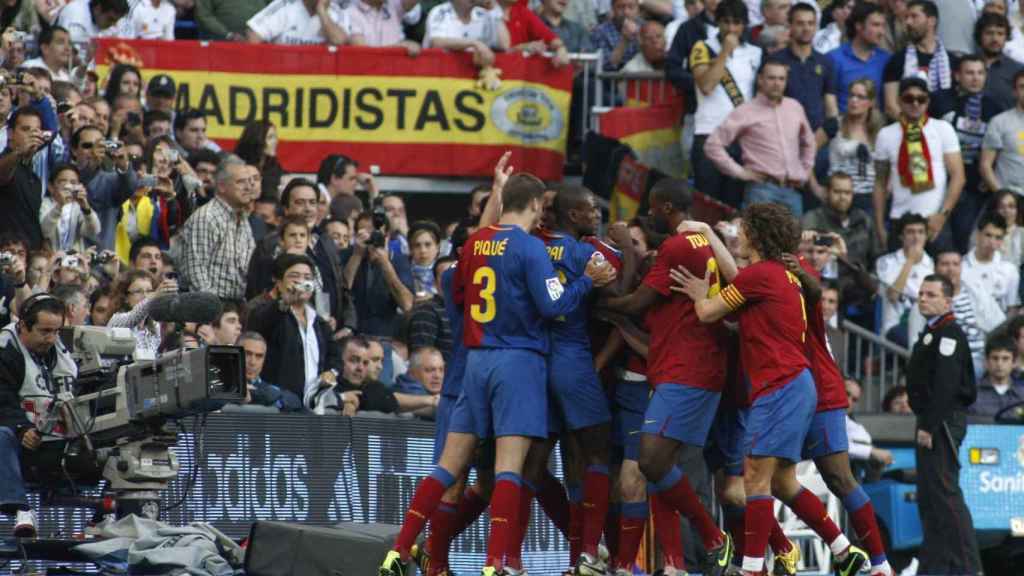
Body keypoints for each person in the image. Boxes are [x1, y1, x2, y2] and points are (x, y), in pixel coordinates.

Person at [378, 172, 614, 576]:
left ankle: (398, 552)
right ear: (538, 205)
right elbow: (553, 304)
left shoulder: (474, 244)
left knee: (447, 466)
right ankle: (497, 564)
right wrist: (585, 283)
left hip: (474, 361)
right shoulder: (529, 247)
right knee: (509, 467)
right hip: (517, 361)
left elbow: (456, 293)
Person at [672, 202, 867, 576]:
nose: (739, 234)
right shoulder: (776, 275)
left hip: (779, 387)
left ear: (756, 235)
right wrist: (712, 236)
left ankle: (752, 569)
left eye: (742, 229)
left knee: (754, 479)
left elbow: (707, 313)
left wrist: (699, 292)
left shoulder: (759, 276)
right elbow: (740, 280)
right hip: (795, 385)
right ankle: (843, 549)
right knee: (781, 481)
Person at [600, 179, 735, 575]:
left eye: (652, 208)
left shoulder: (677, 246)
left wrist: (602, 302)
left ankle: (712, 537)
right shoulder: (703, 243)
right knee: (665, 469)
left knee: (651, 460)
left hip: (685, 368)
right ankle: (675, 565)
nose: (649, 214)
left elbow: (639, 302)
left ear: (663, 207)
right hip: (697, 366)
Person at [906, 274, 983, 576]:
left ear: (947, 301)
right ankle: (935, 566)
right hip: (929, 421)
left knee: (945, 493)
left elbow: (946, 385)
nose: (923, 298)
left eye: (931, 294)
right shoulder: (932, 332)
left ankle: (968, 566)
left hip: (941, 423)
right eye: (921, 293)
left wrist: (929, 424)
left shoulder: (949, 333)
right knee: (930, 497)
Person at [0, 294, 76, 538]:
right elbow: (3, 398)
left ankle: (106, 514)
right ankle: (21, 509)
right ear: (23, 325)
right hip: (20, 438)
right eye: (44, 331)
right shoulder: (6, 349)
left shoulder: (64, 348)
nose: (51, 339)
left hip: (62, 435)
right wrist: (22, 428)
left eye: (56, 331)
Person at [704, 58, 815, 216]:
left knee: (795, 240)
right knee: (760, 240)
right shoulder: (745, 111)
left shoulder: (794, 107)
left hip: (792, 190)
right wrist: (740, 172)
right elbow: (712, 145)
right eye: (771, 78)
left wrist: (805, 171)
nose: (777, 83)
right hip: (762, 190)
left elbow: (809, 142)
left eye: (781, 78)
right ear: (760, 80)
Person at [872, 78, 965, 250]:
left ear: (928, 101)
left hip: (935, 219)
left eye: (921, 99)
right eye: (909, 99)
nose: (915, 104)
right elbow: (880, 183)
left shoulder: (942, 128)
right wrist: (879, 227)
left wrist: (942, 215)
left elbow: (958, 176)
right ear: (899, 100)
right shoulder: (886, 134)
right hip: (900, 220)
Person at [689, 0, 763, 209]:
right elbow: (706, 85)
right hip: (707, 132)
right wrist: (724, 52)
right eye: (726, 22)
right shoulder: (702, 47)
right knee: (707, 205)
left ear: (744, 25)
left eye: (737, 23)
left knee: (733, 205)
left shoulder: (755, 53)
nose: (731, 28)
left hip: (740, 137)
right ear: (717, 22)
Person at [247, 253, 343, 403]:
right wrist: (285, 302)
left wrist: (331, 372)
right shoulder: (271, 311)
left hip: (312, 405)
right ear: (279, 282)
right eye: (294, 276)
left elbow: (335, 356)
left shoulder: (319, 322)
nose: (301, 281)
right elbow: (260, 325)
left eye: (307, 277)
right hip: (279, 404)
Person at [935, 56, 1002, 251]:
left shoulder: (994, 109)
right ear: (957, 75)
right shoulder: (940, 101)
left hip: (975, 189)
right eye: (969, 73)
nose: (975, 78)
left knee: (965, 242)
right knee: (938, 241)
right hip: (942, 184)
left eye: (980, 73)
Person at [908, 250, 1006, 379]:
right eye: (945, 264)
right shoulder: (924, 301)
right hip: (944, 360)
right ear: (935, 268)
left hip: (981, 357)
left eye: (955, 264)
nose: (951, 269)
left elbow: (999, 324)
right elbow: (914, 344)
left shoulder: (976, 292)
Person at [178, 155, 256, 300]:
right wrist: (214, 311)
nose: (248, 187)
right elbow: (196, 272)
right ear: (221, 186)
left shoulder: (244, 219)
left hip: (236, 305)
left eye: (250, 182)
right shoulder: (207, 217)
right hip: (209, 307)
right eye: (241, 182)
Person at [775, 2, 838, 147]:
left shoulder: (825, 62)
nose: (806, 28)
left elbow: (831, 109)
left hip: (818, 139)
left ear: (816, 26)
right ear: (790, 25)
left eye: (811, 23)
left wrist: (821, 138)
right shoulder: (775, 61)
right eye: (800, 23)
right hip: (782, 140)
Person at [882, 0, 954, 119]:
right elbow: (891, 106)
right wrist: (914, 128)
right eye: (906, 17)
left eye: (914, 16)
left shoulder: (952, 61)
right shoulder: (897, 60)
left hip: (945, 129)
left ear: (931, 21)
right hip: (909, 131)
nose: (908, 22)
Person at [876, 213, 934, 345]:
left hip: (924, 326)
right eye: (910, 232)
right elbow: (893, 295)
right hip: (895, 327)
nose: (916, 237)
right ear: (901, 236)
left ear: (926, 236)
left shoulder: (931, 264)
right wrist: (910, 261)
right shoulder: (886, 262)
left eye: (920, 232)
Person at [0, 108, 52, 249]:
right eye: (26, 129)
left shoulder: (34, 178)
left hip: (29, 256)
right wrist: (19, 152)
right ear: (10, 133)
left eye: (36, 130)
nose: (32, 135)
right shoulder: (6, 162)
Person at [828, 2, 890, 112]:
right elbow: (828, 100)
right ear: (859, 26)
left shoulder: (887, 60)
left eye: (883, 26)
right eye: (876, 25)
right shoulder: (834, 59)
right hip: (844, 125)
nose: (882, 32)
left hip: (878, 126)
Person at [423, 0, 509, 69]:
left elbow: (504, 45)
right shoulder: (440, 12)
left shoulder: (483, 15)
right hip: (439, 73)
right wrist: (474, 43)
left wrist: (494, 9)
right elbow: (437, 42)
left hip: (472, 77)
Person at [962, 212, 1020, 312]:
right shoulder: (960, 266)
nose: (992, 242)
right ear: (978, 235)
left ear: (1002, 240)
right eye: (988, 235)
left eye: (998, 237)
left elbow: (1011, 309)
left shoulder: (1010, 270)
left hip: (1000, 326)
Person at [39, 163, 100, 253]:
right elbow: (45, 231)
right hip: (51, 259)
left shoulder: (78, 206)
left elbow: (94, 231)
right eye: (63, 182)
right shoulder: (45, 204)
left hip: (75, 261)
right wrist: (59, 206)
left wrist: (86, 207)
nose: (68, 186)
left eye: (73, 182)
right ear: (51, 187)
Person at [980, 70, 1024, 192]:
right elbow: (985, 165)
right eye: (1022, 87)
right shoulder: (999, 122)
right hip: (1011, 198)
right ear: (1015, 92)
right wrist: (1001, 197)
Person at [239, 331, 304, 412]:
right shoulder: (221, 386)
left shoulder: (269, 389)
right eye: (247, 354)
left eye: (259, 356)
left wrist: (255, 395)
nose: (253, 362)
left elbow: (295, 401)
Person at [844, 378, 895, 472]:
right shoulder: (823, 414)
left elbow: (863, 437)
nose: (848, 402)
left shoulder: (849, 421)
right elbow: (833, 446)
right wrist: (871, 451)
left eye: (854, 400)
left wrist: (872, 451)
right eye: (846, 394)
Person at [976, 13, 1024, 112]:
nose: (995, 39)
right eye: (989, 33)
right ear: (980, 35)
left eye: (1000, 34)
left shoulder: (1018, 70)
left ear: (1006, 37)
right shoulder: (966, 65)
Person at [246, 0, 349, 45]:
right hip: (282, 74)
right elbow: (253, 35)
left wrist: (322, 12)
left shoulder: (336, 12)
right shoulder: (285, 5)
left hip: (319, 77)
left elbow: (339, 40)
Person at [970, 335, 1024, 417]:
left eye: (1005, 358)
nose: (999, 364)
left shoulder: (1022, 395)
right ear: (986, 362)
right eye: (995, 358)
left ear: (1014, 362)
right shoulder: (971, 394)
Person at [346, 0, 422, 55]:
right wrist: (400, 47)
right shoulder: (350, 13)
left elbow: (410, 2)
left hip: (396, 72)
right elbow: (363, 53)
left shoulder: (392, 5)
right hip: (369, 74)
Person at [234, 120, 285, 200]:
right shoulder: (238, 166)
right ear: (257, 139)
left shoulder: (273, 166)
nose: (276, 141)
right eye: (270, 137)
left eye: (275, 137)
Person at [590, 0, 642, 71]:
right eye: (620, 7)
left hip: (641, 78)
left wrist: (639, 37)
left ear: (638, 9)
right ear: (612, 9)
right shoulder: (600, 31)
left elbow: (654, 60)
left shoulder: (646, 28)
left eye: (631, 7)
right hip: (612, 79)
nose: (626, 12)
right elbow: (604, 67)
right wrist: (624, 41)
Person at [57, 0, 130, 46]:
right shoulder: (76, 16)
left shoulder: (107, 19)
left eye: (116, 21)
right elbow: (70, 55)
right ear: (98, 8)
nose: (114, 25)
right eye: (110, 19)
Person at [195, 0, 267, 40]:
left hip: (263, 42)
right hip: (222, 45)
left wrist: (264, 32)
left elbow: (275, 9)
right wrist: (228, 35)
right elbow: (203, 16)